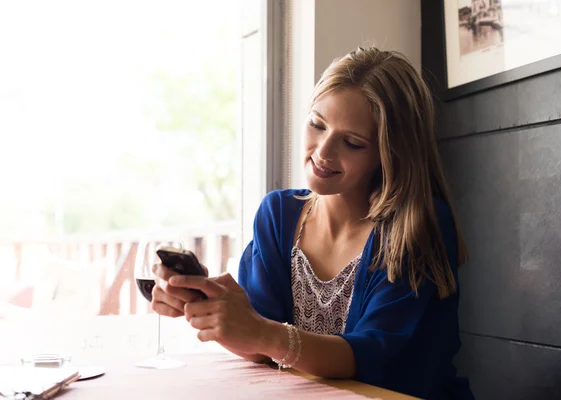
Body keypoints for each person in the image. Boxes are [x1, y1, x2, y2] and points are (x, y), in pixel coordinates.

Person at [151, 47, 474, 399]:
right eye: (317, 124)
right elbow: (261, 348)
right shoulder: (278, 215)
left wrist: (262, 332)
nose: (323, 152)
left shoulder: (416, 226)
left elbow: (371, 356)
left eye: (351, 143)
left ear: (389, 153)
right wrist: (210, 308)